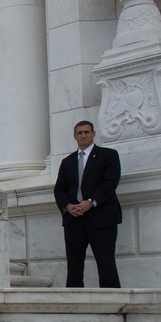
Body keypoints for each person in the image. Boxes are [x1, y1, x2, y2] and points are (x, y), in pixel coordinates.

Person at [53, 120, 122, 288]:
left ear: (93, 134)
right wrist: (68, 207)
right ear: (75, 136)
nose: (83, 135)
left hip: (101, 217)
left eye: (86, 132)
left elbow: (110, 183)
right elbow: (59, 189)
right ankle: (74, 306)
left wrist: (90, 202)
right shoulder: (67, 161)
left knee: (106, 264)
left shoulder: (109, 155)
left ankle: (112, 305)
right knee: (74, 267)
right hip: (74, 219)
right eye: (79, 133)